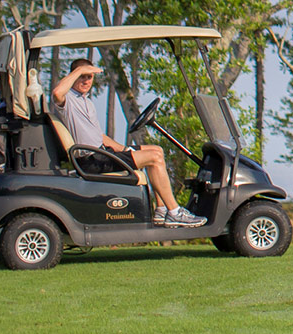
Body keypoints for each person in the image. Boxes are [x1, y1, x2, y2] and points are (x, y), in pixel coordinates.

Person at [52, 58, 205, 227]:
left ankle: (162, 211)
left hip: (103, 154)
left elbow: (98, 135)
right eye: (82, 76)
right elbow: (57, 93)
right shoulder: (68, 101)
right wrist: (78, 71)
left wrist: (122, 149)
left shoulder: (86, 102)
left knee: (157, 150)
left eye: (89, 77)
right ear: (74, 76)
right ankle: (175, 212)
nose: (86, 81)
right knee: (154, 158)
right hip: (92, 160)